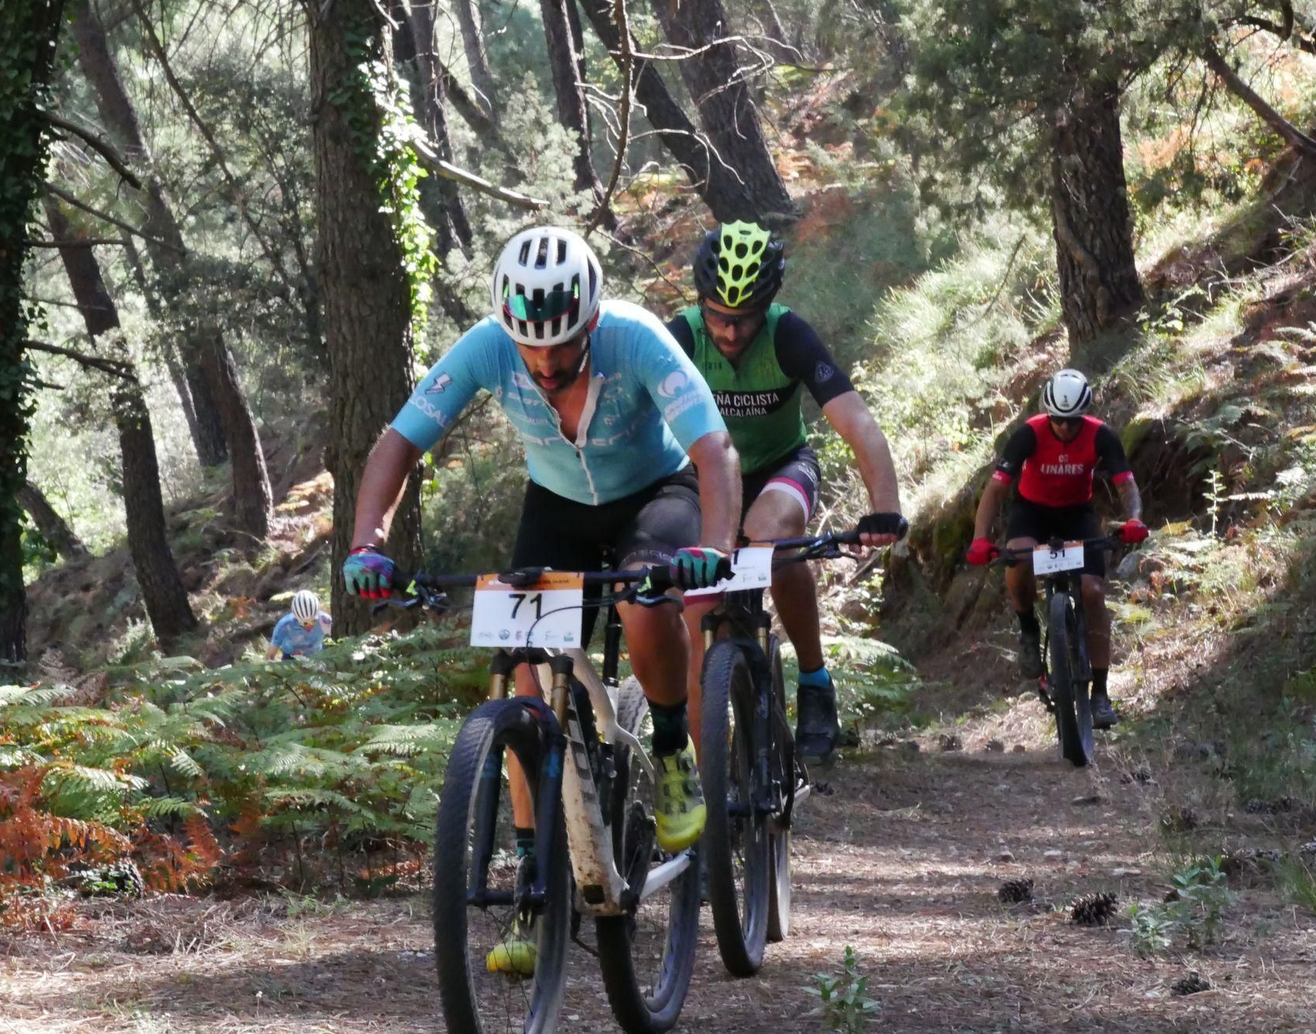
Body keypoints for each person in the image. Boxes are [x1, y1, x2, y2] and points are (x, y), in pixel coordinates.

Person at [342, 226, 742, 975]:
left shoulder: (637, 338)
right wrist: (369, 542)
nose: (548, 362)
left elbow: (713, 449)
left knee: (645, 602)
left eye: (563, 345)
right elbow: (398, 443)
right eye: (532, 347)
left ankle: (669, 745)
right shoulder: (485, 348)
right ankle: (533, 884)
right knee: (525, 678)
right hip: (557, 507)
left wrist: (715, 544)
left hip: (655, 496)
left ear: (592, 320)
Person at [667, 221, 905, 765]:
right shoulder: (680, 336)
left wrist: (885, 509)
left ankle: (815, 681)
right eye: (717, 315)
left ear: (767, 305)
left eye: (744, 317)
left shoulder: (788, 334)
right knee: (696, 601)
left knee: (772, 536)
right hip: (705, 478)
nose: (730, 332)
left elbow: (858, 423)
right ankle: (708, 758)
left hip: (782, 465)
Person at [966, 369, 1149, 728]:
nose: (1065, 426)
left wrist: (1134, 519)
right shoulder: (1028, 434)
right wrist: (979, 538)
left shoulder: (1101, 436)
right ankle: (1028, 630)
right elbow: (997, 489)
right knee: (1018, 558)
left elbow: (1126, 485)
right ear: (1048, 413)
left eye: (1072, 420)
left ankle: (1100, 693)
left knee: (1093, 591)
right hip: (1032, 513)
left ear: (1084, 414)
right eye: (1058, 419)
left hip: (1077, 515)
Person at [266, 589, 331, 660]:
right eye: (303, 622)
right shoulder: (284, 626)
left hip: (316, 656)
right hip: (290, 658)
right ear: (295, 617)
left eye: (313, 621)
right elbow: (271, 654)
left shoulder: (325, 621)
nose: (308, 625)